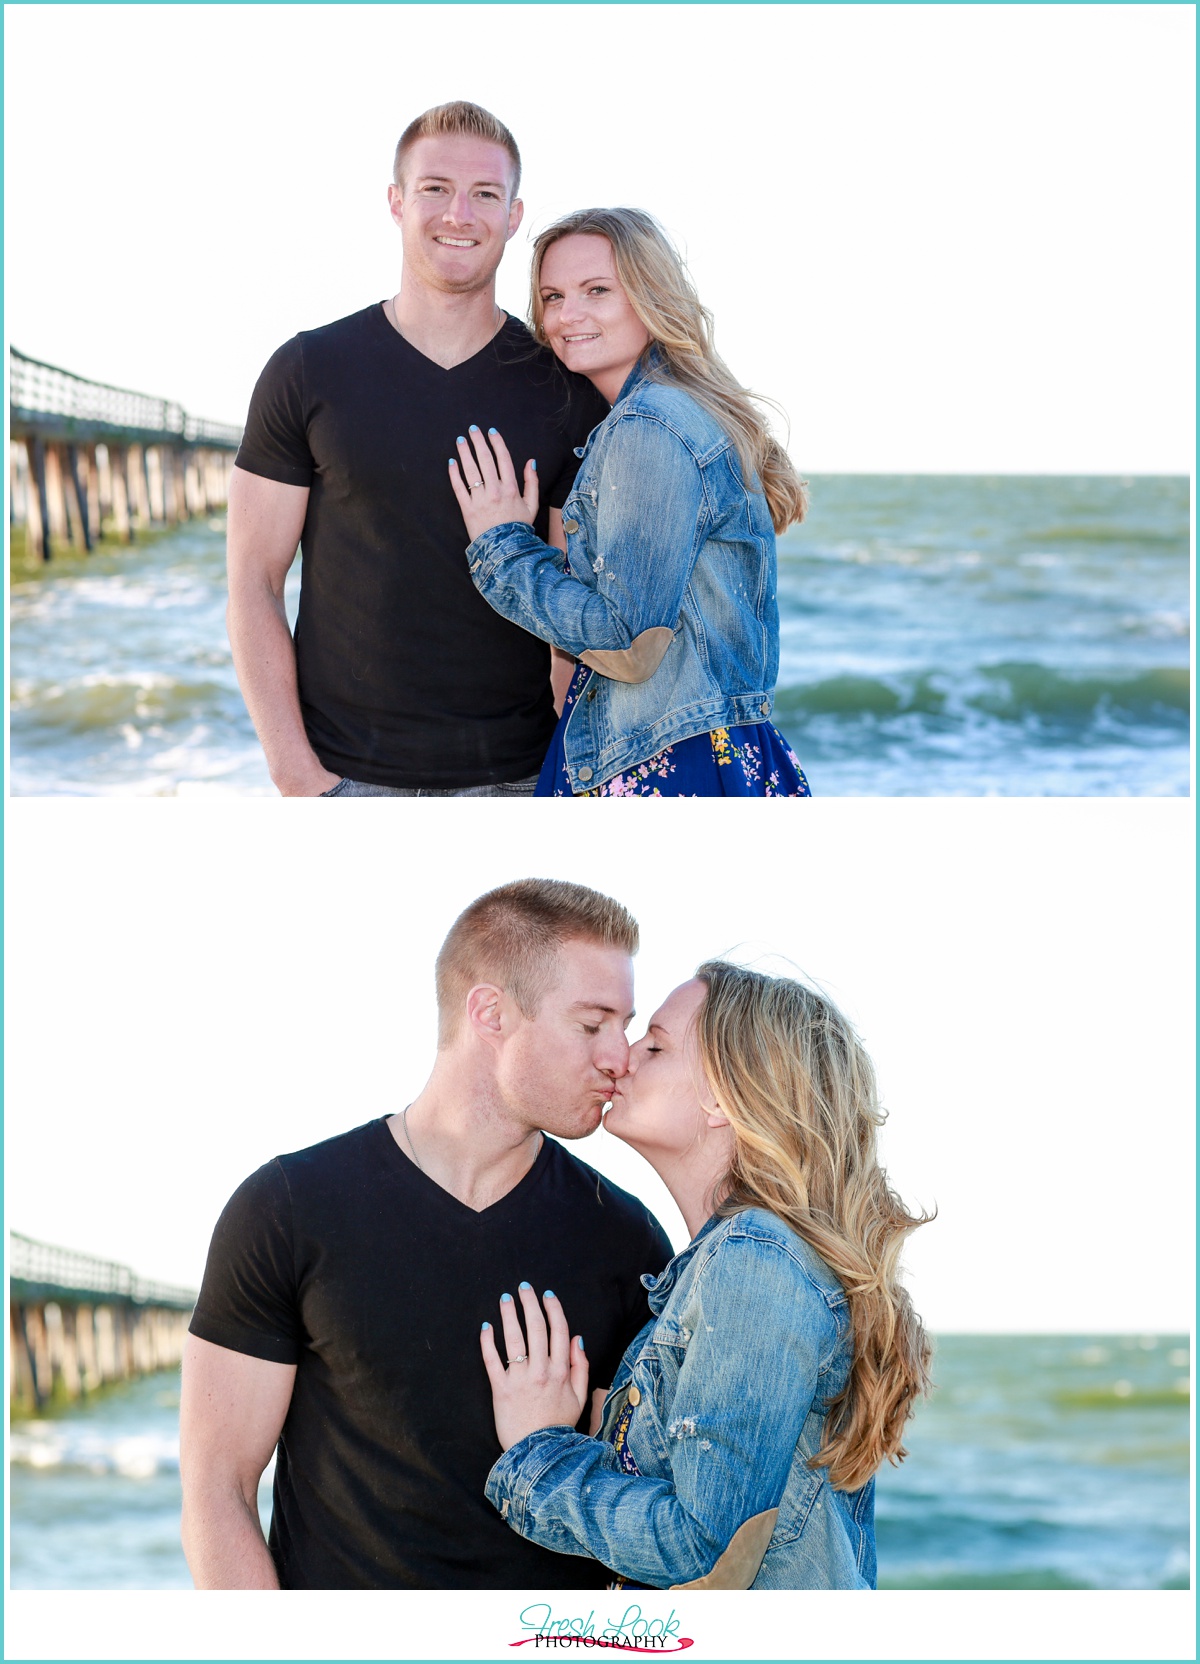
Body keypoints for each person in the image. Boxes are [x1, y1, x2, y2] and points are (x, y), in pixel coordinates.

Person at [179, 879, 673, 1588]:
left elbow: (633, 1524)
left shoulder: (629, 1243)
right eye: (592, 1025)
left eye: (624, 1027)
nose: (618, 1057)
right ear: (490, 1013)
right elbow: (217, 1492)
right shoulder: (288, 1207)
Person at [476, 961, 932, 1588]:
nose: (622, 1057)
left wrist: (539, 1449)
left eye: (656, 1046)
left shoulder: (755, 1263)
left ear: (725, 1097)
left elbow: (704, 1545)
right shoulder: (729, 1267)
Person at [226, 102, 608, 796]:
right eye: (435, 188)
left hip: (521, 779)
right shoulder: (308, 369)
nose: (459, 213)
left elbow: (571, 614)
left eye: (485, 194)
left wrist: (567, 776)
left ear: (514, 215)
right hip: (344, 780)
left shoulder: (564, 390)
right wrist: (297, 774)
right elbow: (253, 582)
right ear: (397, 202)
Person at [448, 207, 811, 796]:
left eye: (597, 291)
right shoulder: (678, 412)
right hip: (715, 749)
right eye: (553, 296)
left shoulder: (649, 426)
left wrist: (503, 546)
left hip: (666, 761)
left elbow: (627, 641)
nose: (569, 315)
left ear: (650, 295)